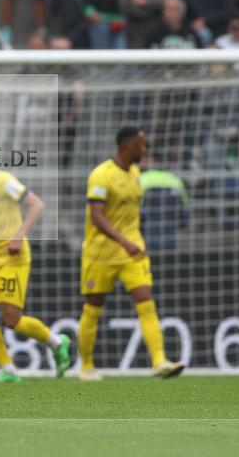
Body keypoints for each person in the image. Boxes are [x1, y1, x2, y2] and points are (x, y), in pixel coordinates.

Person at [0, 135, 70, 383]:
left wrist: (18, 236)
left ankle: (57, 342)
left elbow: (37, 205)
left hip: (12, 257)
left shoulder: (3, 181)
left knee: (12, 320)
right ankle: (8, 368)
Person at [76, 126, 184, 381]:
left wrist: (130, 242)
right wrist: (123, 241)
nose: (145, 150)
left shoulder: (136, 173)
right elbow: (97, 216)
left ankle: (160, 362)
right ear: (127, 146)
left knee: (145, 300)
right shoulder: (101, 176)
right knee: (93, 307)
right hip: (100, 253)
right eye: (141, 145)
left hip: (133, 251)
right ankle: (86, 366)